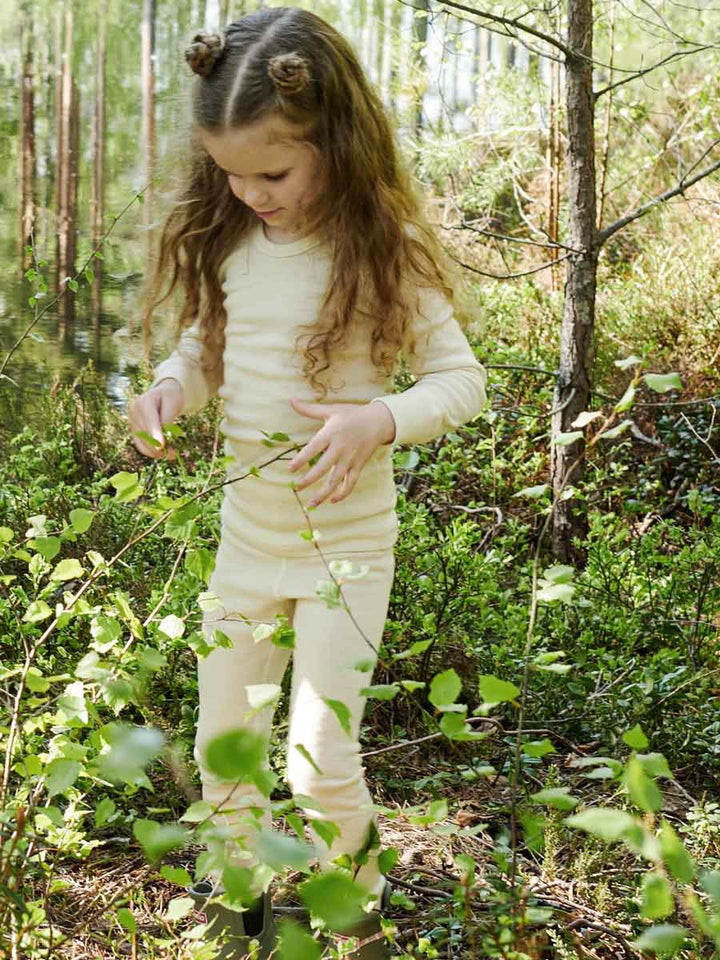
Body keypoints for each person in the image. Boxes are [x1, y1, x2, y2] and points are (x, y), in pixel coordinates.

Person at [128, 7, 487, 958]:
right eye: (230, 172)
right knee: (226, 751)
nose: (248, 192)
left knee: (321, 757)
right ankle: (235, 906)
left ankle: (352, 921)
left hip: (347, 552)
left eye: (272, 172)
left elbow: (463, 381)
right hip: (247, 547)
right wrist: (172, 385)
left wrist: (381, 419)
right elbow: (207, 345)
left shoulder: (383, 249)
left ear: (334, 138)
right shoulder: (234, 239)